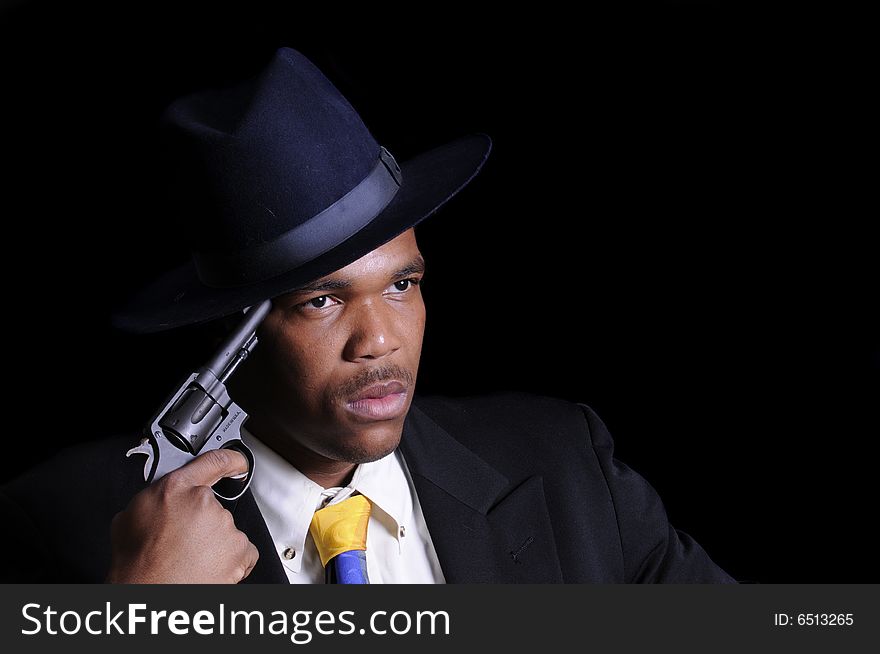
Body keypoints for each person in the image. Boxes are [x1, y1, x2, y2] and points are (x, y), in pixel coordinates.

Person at [0, 47, 736, 584]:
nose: (380, 340)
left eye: (401, 285)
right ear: (226, 337)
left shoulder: (568, 467)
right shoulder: (54, 531)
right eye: (319, 301)